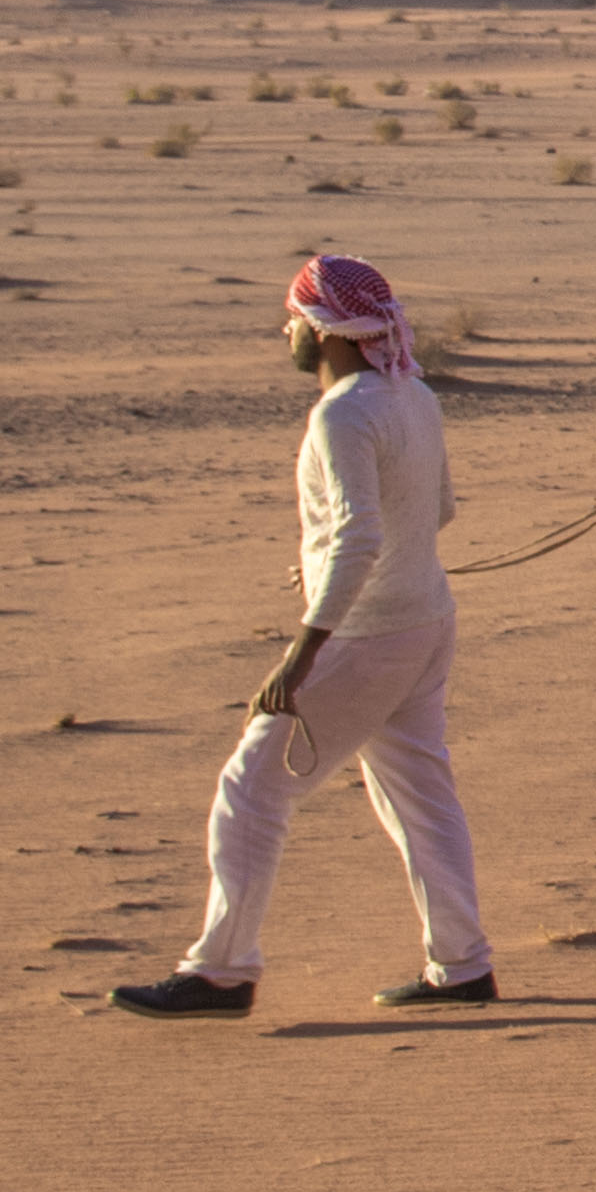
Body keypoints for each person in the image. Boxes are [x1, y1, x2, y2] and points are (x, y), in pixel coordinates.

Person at [111, 253, 497, 1019]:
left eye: (294, 319)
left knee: (251, 790)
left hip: (366, 635)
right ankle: (462, 965)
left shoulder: (346, 412)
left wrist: (306, 644)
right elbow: (437, 510)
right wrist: (329, 567)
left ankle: (221, 971)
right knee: (420, 796)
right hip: (426, 621)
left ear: (324, 331)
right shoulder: (412, 395)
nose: (287, 332)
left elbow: (359, 533)